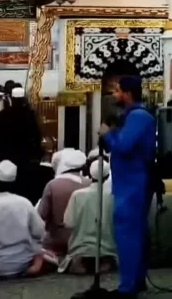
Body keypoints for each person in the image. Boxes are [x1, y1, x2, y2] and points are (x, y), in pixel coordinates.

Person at [100, 76, 156, 299]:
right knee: (135, 233)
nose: (114, 95)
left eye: (117, 91)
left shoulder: (138, 117)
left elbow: (123, 146)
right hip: (130, 182)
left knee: (128, 234)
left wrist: (108, 134)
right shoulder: (133, 117)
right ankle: (136, 281)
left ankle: (127, 288)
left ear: (127, 93)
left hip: (133, 183)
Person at [60, 157, 115, 274]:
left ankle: (80, 262)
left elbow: (68, 223)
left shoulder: (77, 195)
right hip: (107, 249)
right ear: (107, 176)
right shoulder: (114, 196)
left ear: (90, 175)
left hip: (81, 248)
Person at [37, 149, 89, 262]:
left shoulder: (52, 185)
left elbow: (41, 216)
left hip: (56, 241)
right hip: (82, 240)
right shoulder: (88, 184)